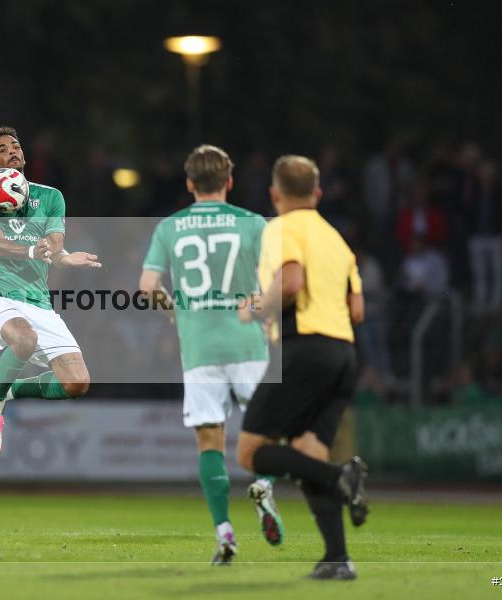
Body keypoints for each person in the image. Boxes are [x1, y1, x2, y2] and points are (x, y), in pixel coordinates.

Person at [138, 145, 283, 566]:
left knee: (209, 441)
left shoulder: (170, 227)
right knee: (266, 431)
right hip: (246, 340)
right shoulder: (254, 224)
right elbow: (277, 282)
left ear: (189, 184)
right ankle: (265, 488)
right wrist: (262, 310)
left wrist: (174, 310)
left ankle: (225, 535)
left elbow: (147, 287)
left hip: (199, 344)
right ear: (229, 182)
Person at [237, 155, 369, 580]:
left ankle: (341, 477)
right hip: (344, 354)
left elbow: (290, 283)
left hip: (305, 349)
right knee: (306, 454)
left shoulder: (281, 228)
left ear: (274, 194)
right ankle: (337, 559)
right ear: (317, 192)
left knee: (251, 453)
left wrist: (254, 306)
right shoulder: (337, 239)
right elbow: (358, 309)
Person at [0, 126, 101, 454]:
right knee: (24, 340)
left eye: (15, 145)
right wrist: (29, 251)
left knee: (77, 383)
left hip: (37, 299)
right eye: (1, 149)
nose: (11, 150)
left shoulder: (51, 197)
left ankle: (4, 388)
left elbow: (53, 247)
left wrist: (65, 258)